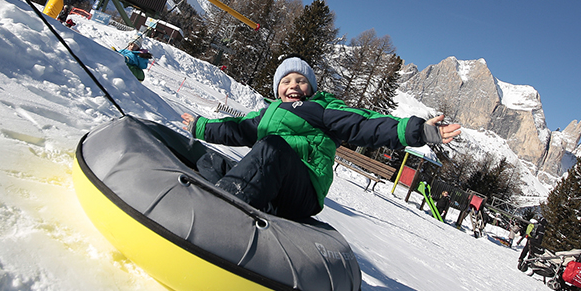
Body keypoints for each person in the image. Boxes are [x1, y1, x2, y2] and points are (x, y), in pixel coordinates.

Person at [181, 57, 461, 221]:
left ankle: (220, 212)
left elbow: (364, 124)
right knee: (212, 162)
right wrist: (200, 126)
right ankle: (216, 195)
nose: (293, 86)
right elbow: (237, 129)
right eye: (286, 82)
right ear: (278, 89)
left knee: (272, 147)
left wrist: (417, 131)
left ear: (310, 87)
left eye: (300, 81)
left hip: (304, 190)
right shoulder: (268, 114)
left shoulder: (323, 109)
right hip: (274, 186)